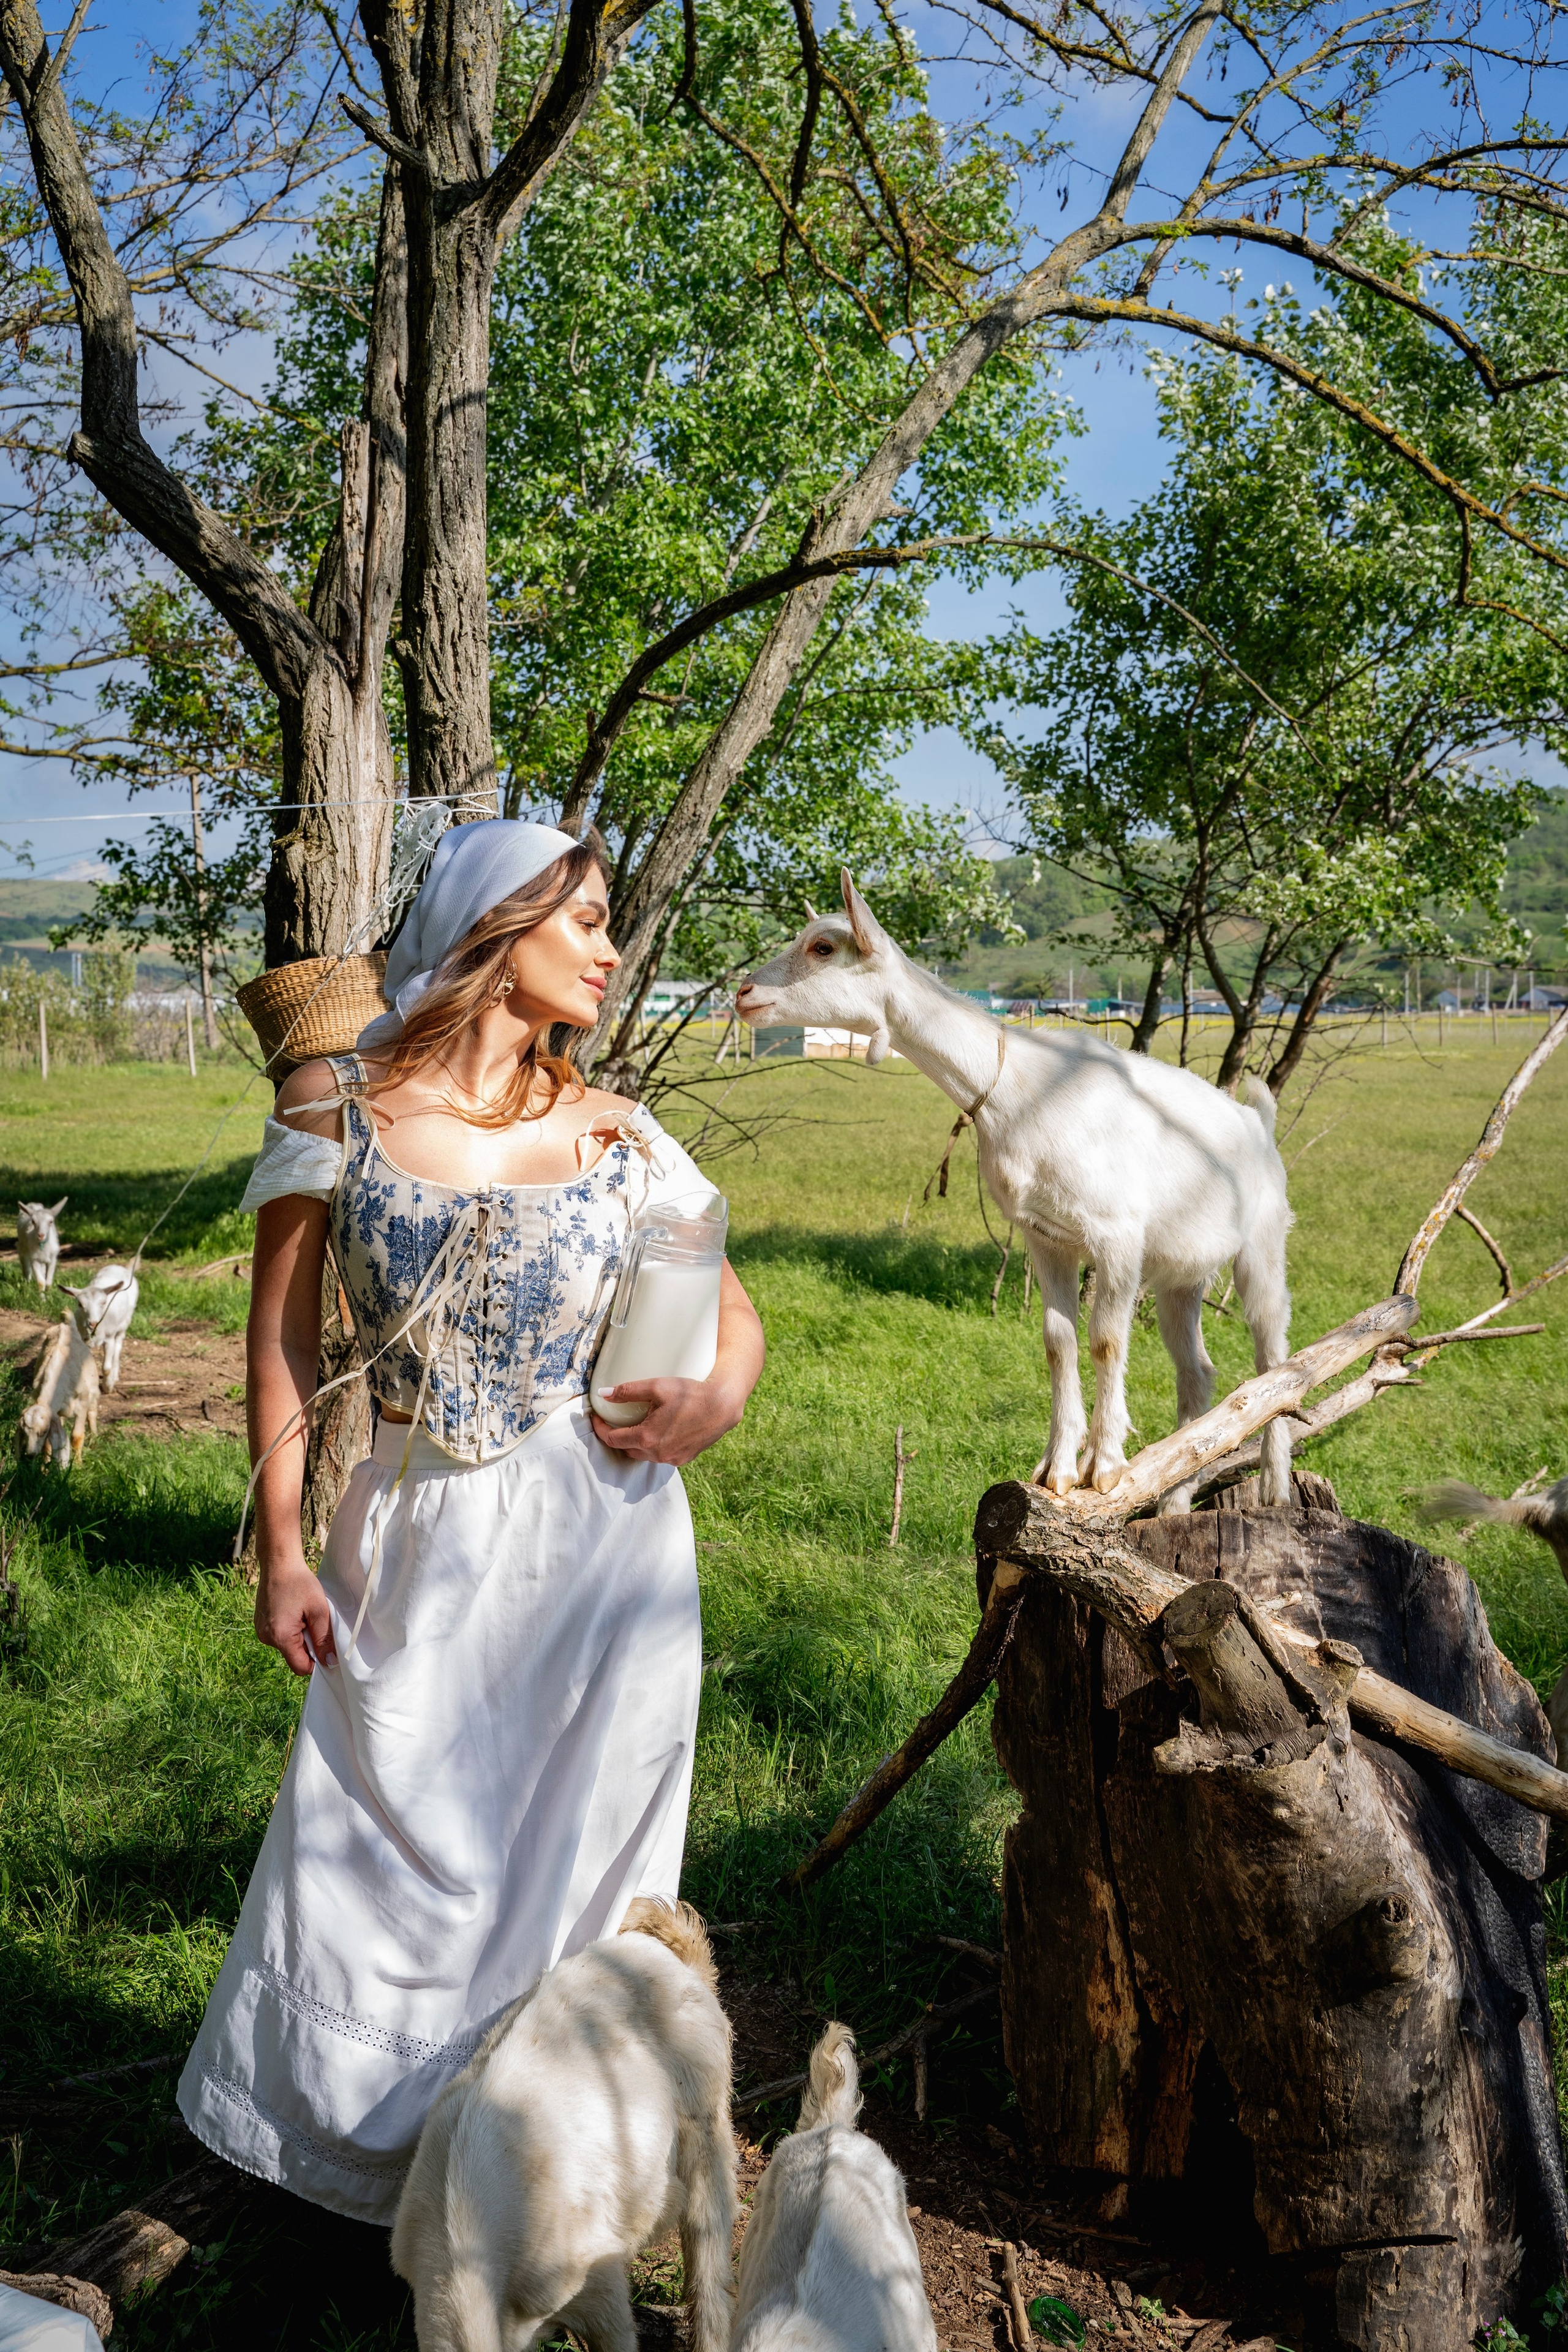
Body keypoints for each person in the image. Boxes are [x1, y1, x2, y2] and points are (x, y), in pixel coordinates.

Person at [177, 820, 765, 2223]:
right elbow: (281, 1350)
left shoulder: (619, 1132)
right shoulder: (343, 1114)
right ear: (496, 933)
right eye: (587, 921)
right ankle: (350, 2164)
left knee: (577, 1854)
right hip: (416, 1521)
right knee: (385, 1844)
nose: (612, 950)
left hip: (604, 1538)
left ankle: (532, 2177)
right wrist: (280, 1551)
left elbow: (727, 1314)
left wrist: (714, 1400)